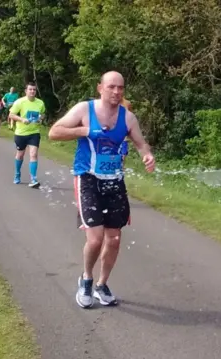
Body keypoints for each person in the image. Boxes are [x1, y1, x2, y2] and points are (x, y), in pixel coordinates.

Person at [48, 71, 155, 309]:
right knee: (95, 240)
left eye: (120, 88)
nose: (116, 92)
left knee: (114, 239)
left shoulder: (128, 118)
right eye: (111, 87)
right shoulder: (84, 110)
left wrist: (147, 155)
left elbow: (140, 143)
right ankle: (86, 279)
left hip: (114, 182)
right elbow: (54, 132)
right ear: (100, 88)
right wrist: (85, 131)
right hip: (87, 178)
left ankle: (101, 284)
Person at [9, 83, 45, 187]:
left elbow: (42, 114)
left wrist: (40, 119)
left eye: (34, 90)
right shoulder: (19, 102)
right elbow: (11, 115)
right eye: (30, 89)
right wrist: (22, 119)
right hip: (21, 133)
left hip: (34, 132)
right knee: (20, 155)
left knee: (33, 154)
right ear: (26, 91)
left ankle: (33, 179)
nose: (32, 91)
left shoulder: (40, 103)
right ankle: (17, 173)